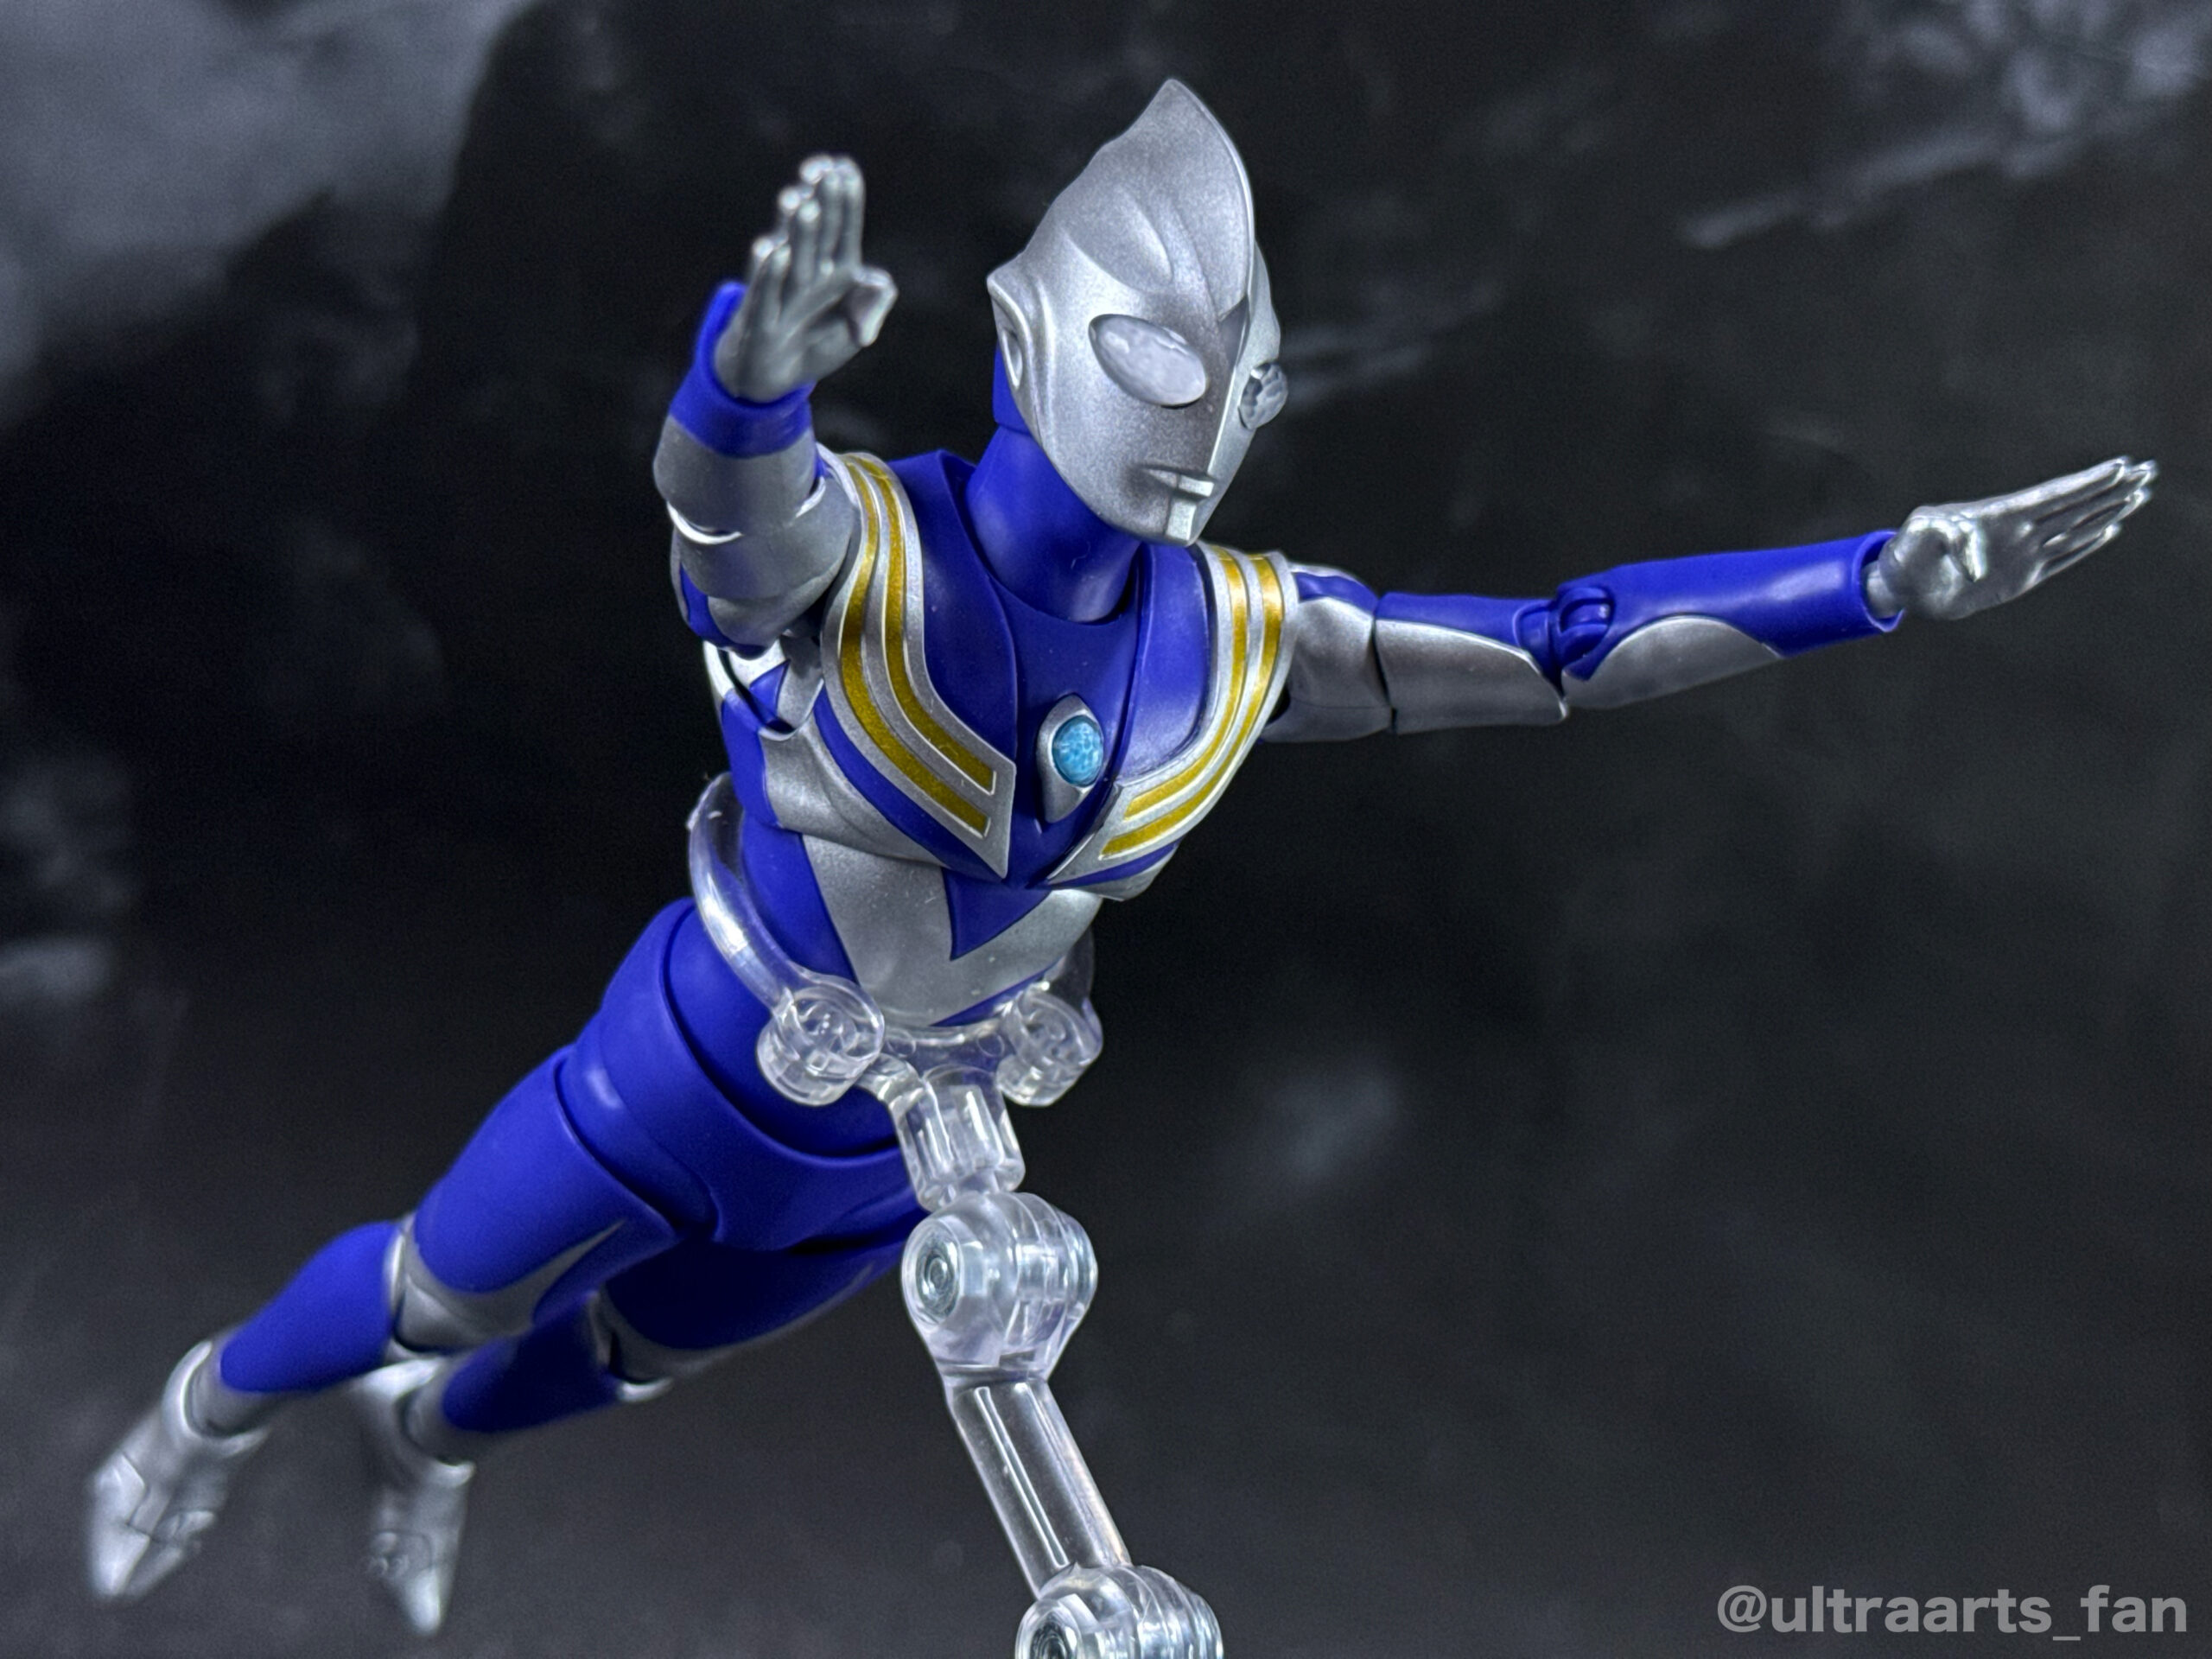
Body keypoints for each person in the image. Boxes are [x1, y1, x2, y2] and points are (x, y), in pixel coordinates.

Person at [86, 79, 2155, 1640]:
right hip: (683, 1068)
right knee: (434, 1287)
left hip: (903, 1168)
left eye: (1244, 378)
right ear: (1025, 334)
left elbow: (1557, 650)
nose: (1206, 413)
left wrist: (1871, 579)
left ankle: (422, 1457)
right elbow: (726, 519)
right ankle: (204, 1413)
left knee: (615, 1366)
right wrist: (746, 373)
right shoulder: (866, 557)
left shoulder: (1244, 634)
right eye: (1158, 355)